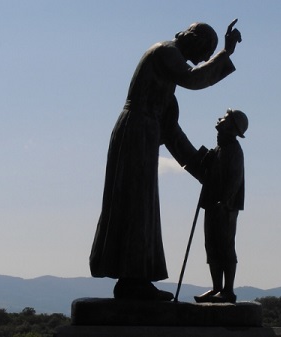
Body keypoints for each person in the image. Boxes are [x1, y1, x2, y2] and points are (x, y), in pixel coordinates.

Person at [89, 21, 242, 301]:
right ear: (193, 39)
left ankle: (135, 279)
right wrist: (226, 53)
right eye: (206, 50)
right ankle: (133, 281)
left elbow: (172, 132)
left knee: (142, 207)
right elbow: (194, 79)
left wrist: (203, 170)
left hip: (144, 135)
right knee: (135, 205)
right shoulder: (165, 52)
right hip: (135, 132)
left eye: (210, 54)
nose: (205, 58)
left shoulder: (166, 84)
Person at [194, 109, 247, 304]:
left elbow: (235, 179)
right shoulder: (217, 150)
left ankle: (228, 290)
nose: (218, 125)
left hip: (225, 207)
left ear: (232, 128)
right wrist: (205, 160)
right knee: (211, 246)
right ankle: (217, 287)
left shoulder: (234, 150)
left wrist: (224, 201)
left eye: (223, 122)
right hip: (211, 205)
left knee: (225, 246)